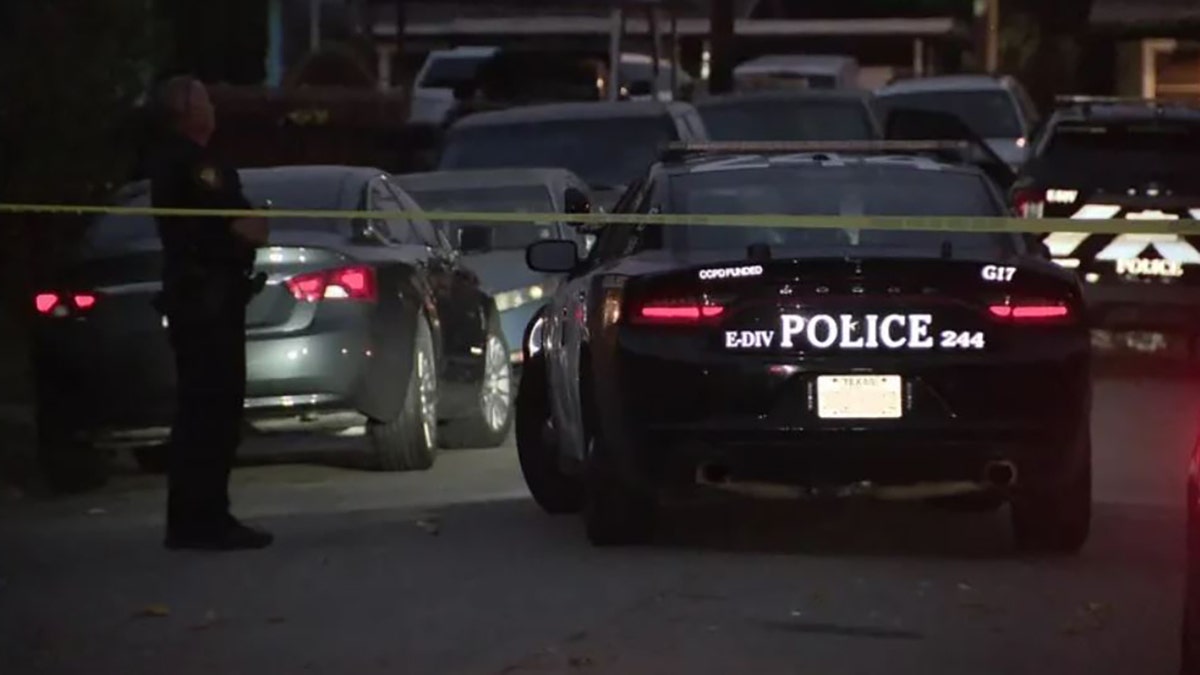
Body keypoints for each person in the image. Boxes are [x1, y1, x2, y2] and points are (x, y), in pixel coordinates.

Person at [147, 75, 273, 551]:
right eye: (203, 100)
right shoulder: (192, 163)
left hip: (206, 298)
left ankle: (193, 518)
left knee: (204, 411)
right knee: (212, 411)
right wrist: (251, 227)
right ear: (185, 110)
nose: (212, 107)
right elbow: (235, 227)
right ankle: (205, 519)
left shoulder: (176, 161)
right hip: (207, 301)